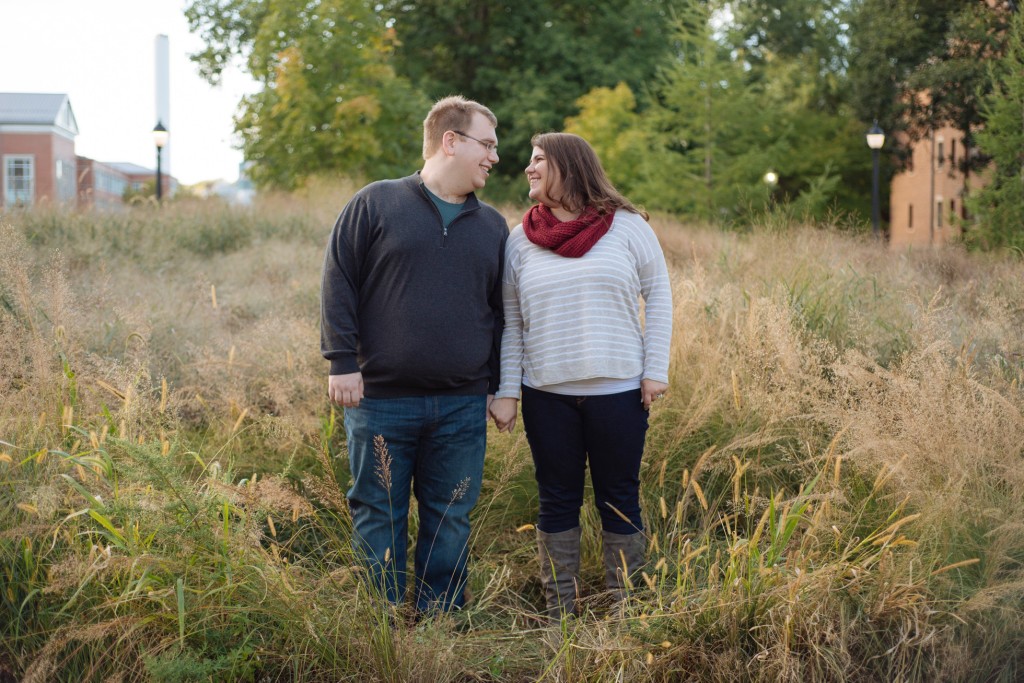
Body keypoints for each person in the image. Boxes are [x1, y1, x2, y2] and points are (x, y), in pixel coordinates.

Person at [321, 95, 508, 614]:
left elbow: (500, 313)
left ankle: (437, 619)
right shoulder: (376, 202)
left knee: (450, 516)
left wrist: (498, 386)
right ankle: (378, 621)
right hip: (381, 399)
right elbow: (338, 281)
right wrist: (341, 361)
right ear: (451, 141)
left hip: (462, 404)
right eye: (487, 145)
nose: (494, 157)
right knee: (378, 511)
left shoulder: (493, 227)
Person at [489, 132, 672, 619]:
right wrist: (506, 391)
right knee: (556, 500)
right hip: (546, 393)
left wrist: (655, 370)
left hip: (620, 391)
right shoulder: (519, 239)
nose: (528, 168)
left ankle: (626, 611)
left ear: (569, 167)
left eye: (539, 160)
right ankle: (560, 615)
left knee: (619, 498)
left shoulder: (628, 227)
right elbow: (512, 322)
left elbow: (659, 296)